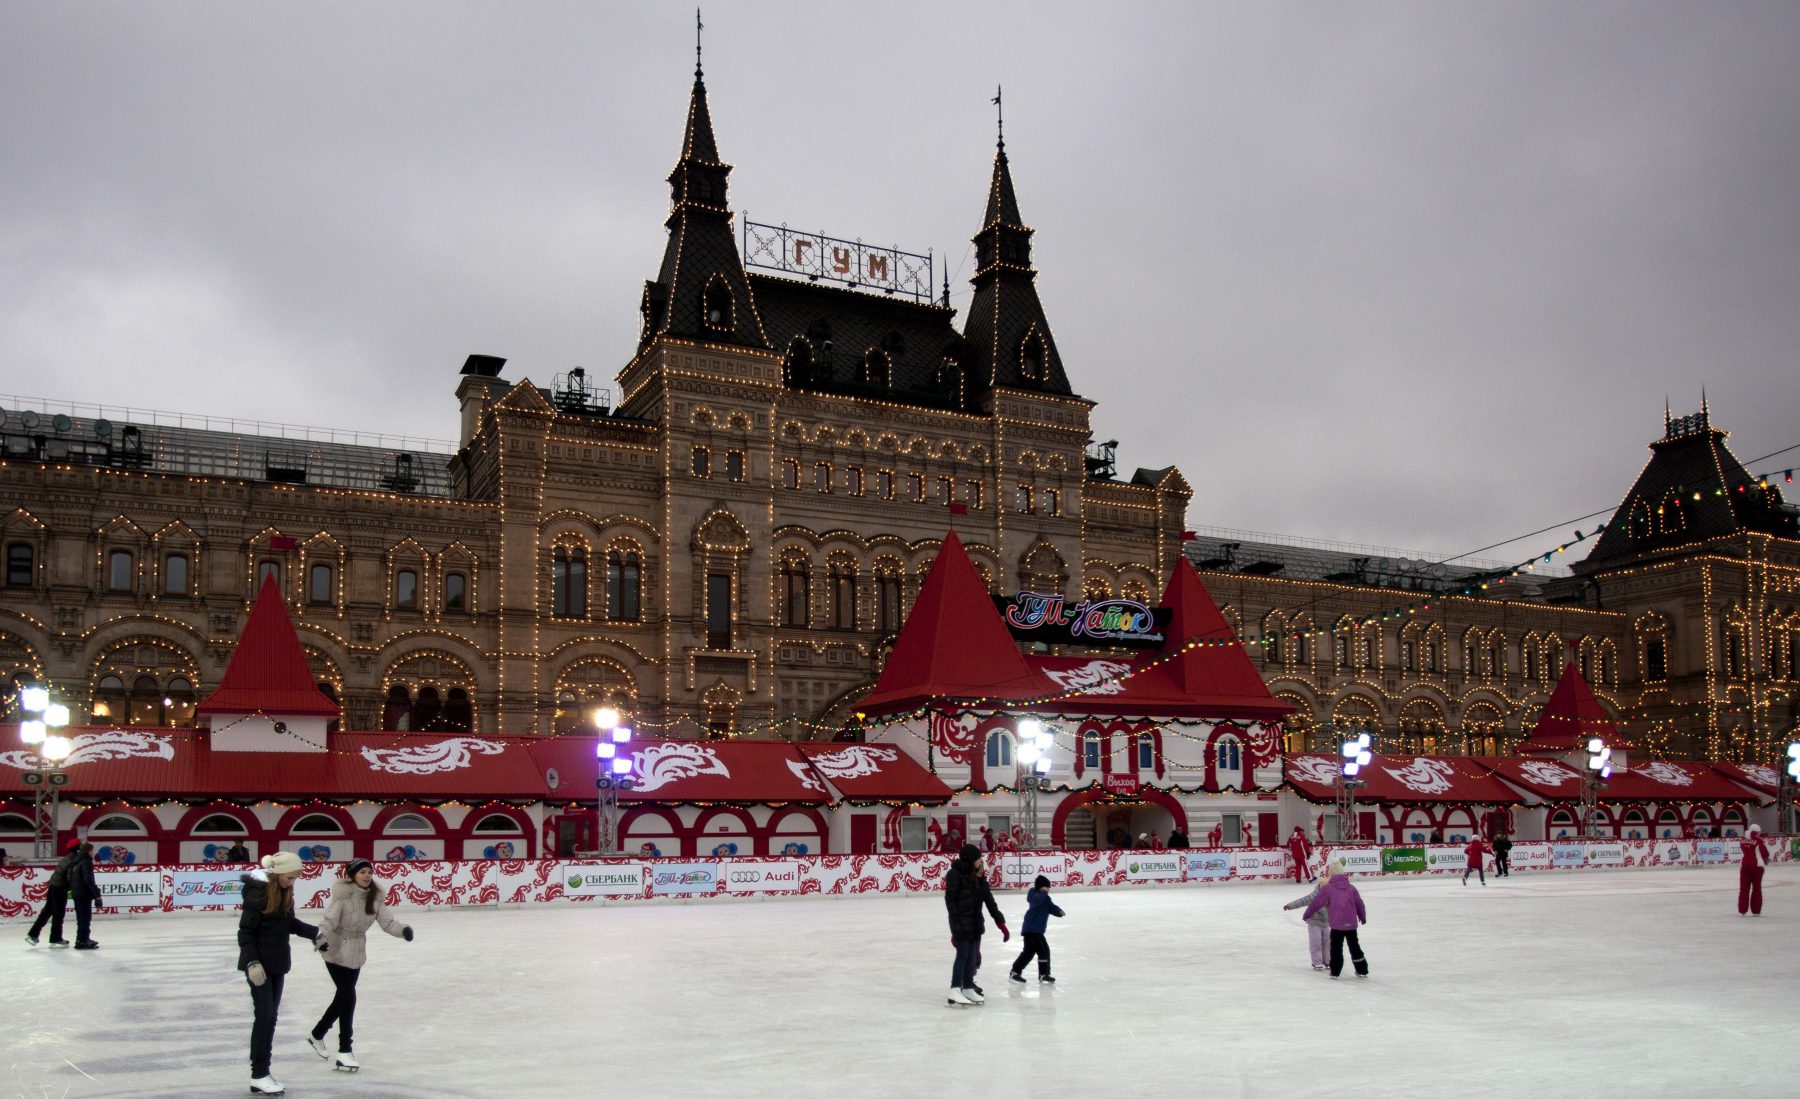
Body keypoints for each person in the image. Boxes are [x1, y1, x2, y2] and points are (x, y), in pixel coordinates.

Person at [309, 859, 413, 1072]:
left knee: (342, 998)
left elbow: (388, 923)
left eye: (369, 872)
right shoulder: (343, 896)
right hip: (335, 950)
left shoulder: (374, 898)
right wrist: (320, 938)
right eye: (362, 872)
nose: (367, 875)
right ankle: (345, 1050)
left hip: (356, 952)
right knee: (348, 996)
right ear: (352, 875)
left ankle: (317, 1034)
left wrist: (403, 931)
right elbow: (327, 921)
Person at [239, 851, 325, 1096]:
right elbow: (245, 933)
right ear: (277, 874)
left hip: (277, 965)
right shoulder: (258, 895)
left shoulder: (284, 893)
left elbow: (290, 924)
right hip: (259, 967)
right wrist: (252, 963)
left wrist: (315, 933)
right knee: (265, 1017)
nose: (292, 882)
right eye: (290, 877)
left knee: (270, 1018)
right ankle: (259, 1074)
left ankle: (261, 1074)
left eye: (296, 878)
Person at [943, 844, 1007, 1007]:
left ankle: (968, 987)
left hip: (975, 923)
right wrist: (955, 926)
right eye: (979, 858)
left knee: (972, 957)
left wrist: (1000, 922)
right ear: (972, 860)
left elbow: (990, 902)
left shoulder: (976, 877)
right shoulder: (955, 875)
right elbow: (950, 902)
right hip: (961, 924)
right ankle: (955, 988)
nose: (981, 861)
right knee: (962, 955)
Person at [1303, 858, 1369, 980]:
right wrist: (1362, 916)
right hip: (1351, 924)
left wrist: (1307, 914)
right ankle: (1362, 969)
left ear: (1331, 873)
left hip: (1337, 924)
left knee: (1336, 948)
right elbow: (1360, 903)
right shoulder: (1351, 888)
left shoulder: (1328, 888)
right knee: (1354, 946)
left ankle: (1335, 971)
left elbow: (1316, 903)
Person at [1009, 874, 1065, 985]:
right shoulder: (1033, 894)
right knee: (1042, 950)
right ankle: (1043, 974)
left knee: (1029, 953)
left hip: (1038, 931)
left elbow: (1051, 907)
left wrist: (1059, 911)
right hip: (1031, 930)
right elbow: (1036, 901)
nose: (1048, 890)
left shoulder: (1046, 898)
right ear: (1042, 887)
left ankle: (1015, 972)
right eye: (1047, 887)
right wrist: (1043, 892)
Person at [1282, 859, 1335, 971]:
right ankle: (1316, 962)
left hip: (1326, 924)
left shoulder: (1331, 897)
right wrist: (1290, 905)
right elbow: (1303, 900)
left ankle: (1328, 961)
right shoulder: (1315, 896)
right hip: (1314, 923)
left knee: (1327, 943)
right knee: (1315, 942)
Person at [26, 840, 80, 947]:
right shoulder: (73, 861)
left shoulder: (67, 858)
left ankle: (33, 934)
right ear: (77, 848)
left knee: (47, 911)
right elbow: (70, 878)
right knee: (58, 914)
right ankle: (55, 938)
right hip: (60, 888)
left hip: (53, 886)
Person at [67, 841, 106, 949]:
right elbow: (89, 880)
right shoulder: (86, 862)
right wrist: (97, 896)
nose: (93, 853)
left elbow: (69, 877)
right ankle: (82, 940)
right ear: (89, 851)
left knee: (81, 918)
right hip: (83, 893)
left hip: (76, 893)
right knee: (85, 917)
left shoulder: (75, 861)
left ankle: (82, 938)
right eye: (92, 850)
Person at [1739, 824, 1771, 916]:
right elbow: (1765, 853)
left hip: (1745, 866)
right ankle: (1756, 910)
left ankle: (1742, 909)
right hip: (1757, 867)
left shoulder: (1742, 840)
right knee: (1756, 889)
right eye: (1759, 832)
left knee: (1744, 889)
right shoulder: (1758, 841)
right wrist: (1765, 858)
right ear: (1756, 832)